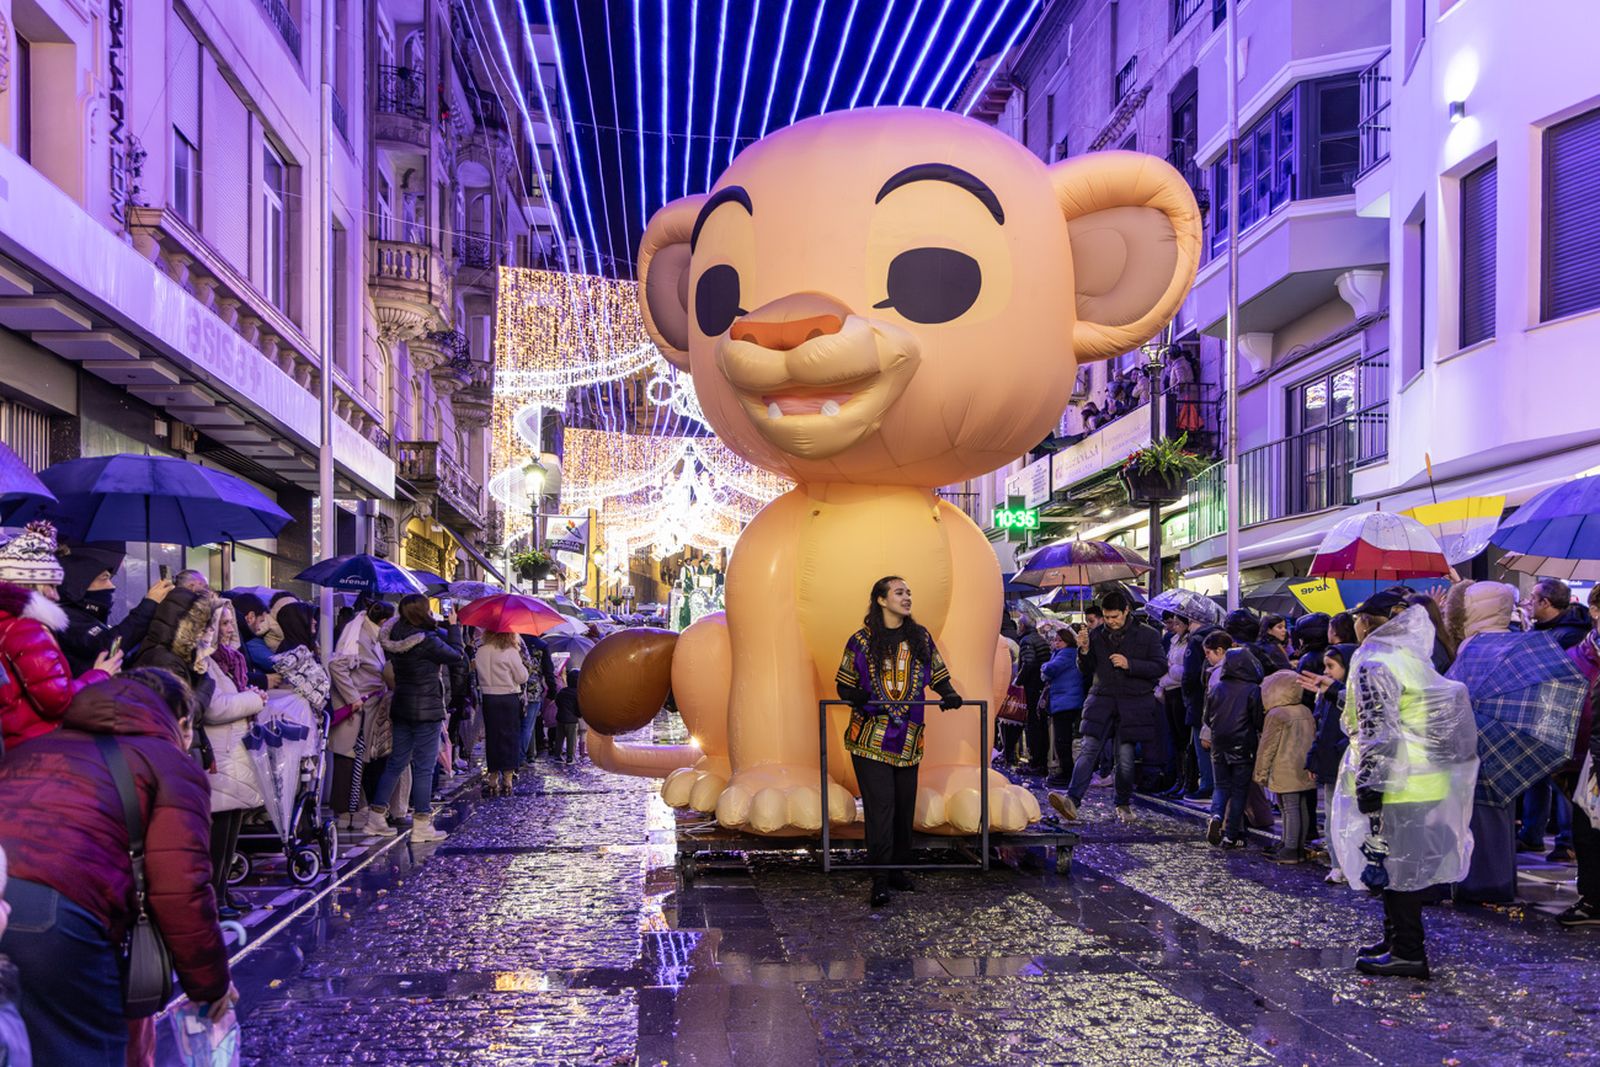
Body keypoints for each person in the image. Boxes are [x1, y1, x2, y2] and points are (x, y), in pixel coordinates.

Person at [0, 670, 235, 1064]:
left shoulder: (37, 748)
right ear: (180, 722)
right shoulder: (169, 764)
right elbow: (181, 888)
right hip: (66, 919)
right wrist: (212, 984)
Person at [1331, 602, 1479, 980]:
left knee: (1397, 872)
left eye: (1358, 619)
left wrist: (1371, 784)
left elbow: (1379, 731)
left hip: (1399, 783)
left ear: (1367, 623)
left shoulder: (1376, 662)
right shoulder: (1412, 659)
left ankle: (1408, 952)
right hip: (1427, 779)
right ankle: (1394, 940)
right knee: (1398, 865)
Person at [835, 576, 962, 908]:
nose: (907, 598)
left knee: (905, 806)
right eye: (899, 592)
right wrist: (856, 695)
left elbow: (938, 674)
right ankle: (879, 877)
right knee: (881, 807)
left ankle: (897, 870)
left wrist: (948, 694)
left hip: (909, 738)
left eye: (908, 592)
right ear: (881, 600)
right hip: (869, 739)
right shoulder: (861, 641)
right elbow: (843, 684)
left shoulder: (919, 638)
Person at [1047, 590, 1165, 823]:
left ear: (1126, 611)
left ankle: (1122, 803)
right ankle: (1071, 800)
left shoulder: (1148, 635)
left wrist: (1130, 664)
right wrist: (1083, 650)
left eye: (1115, 617)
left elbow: (1160, 666)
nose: (1110, 621)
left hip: (1133, 704)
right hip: (1101, 701)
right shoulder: (1095, 635)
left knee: (1125, 757)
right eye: (1107, 617)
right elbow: (1086, 669)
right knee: (1089, 749)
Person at [0, 522, 120, 750]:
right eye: (50, 586)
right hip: (38, 746)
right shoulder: (26, 629)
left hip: (15, 743)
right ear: (31, 584)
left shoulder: (6, 621)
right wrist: (99, 675)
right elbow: (57, 700)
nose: (56, 597)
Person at [367, 594, 464, 843]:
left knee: (396, 763)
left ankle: (376, 817)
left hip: (402, 706)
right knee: (423, 767)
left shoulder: (394, 638)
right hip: (427, 709)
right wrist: (454, 627)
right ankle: (422, 824)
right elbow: (456, 655)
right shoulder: (427, 641)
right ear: (422, 613)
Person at [196, 599, 266, 921]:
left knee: (232, 824)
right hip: (220, 751)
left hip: (236, 748)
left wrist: (250, 696)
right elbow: (214, 707)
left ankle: (222, 888)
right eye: (220, 623)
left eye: (229, 623)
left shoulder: (233, 660)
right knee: (219, 827)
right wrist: (254, 699)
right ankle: (213, 892)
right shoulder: (205, 661)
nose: (226, 630)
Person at [55, 541, 171, 676]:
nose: (112, 586)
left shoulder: (87, 616)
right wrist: (150, 603)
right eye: (104, 578)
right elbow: (109, 646)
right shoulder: (67, 619)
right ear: (80, 585)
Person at [328, 602, 395, 830]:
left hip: (366, 708)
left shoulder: (368, 634)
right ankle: (346, 812)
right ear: (384, 622)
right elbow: (337, 665)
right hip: (356, 710)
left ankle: (354, 809)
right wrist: (353, 697)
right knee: (348, 761)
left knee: (357, 760)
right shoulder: (360, 638)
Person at [1560, 584, 1600, 927]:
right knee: (1587, 831)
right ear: (1595, 611)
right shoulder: (1578, 657)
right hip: (1586, 758)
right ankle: (1593, 900)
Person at [1203, 635, 1265, 848]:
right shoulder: (1252, 690)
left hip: (1219, 744)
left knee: (1221, 787)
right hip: (1243, 745)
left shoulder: (1217, 687)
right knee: (1239, 791)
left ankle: (1216, 816)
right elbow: (1257, 719)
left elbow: (1207, 717)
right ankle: (1231, 835)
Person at [1303, 644, 1356, 882]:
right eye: (1325, 666)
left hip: (1346, 764)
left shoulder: (1349, 695)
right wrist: (1313, 758)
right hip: (1330, 763)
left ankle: (1349, 865)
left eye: (1331, 666)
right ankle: (1338, 865)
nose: (1327, 672)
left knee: (1346, 818)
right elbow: (1321, 729)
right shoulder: (1326, 696)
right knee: (1333, 819)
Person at [1254, 671, 1314, 863]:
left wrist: (1260, 772)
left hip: (1284, 767)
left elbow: (1267, 746)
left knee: (1288, 808)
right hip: (1304, 767)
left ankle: (1289, 848)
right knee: (1301, 806)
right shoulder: (1305, 711)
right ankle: (1297, 846)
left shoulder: (1276, 714)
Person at [475, 629, 529, 795]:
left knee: (493, 737)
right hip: (508, 697)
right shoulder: (510, 652)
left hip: (489, 698)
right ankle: (507, 777)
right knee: (510, 737)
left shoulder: (481, 651)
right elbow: (522, 677)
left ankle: (492, 777)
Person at [1039, 624, 1085, 788]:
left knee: (1062, 740)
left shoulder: (1066, 654)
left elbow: (1050, 669)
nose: (1056, 643)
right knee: (1062, 739)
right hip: (1066, 700)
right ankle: (1066, 771)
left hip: (1065, 701)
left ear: (1068, 641)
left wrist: (1043, 667)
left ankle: (1067, 772)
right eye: (1055, 640)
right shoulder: (1063, 653)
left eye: (1060, 640)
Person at [1156, 611, 1193, 796]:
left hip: (1179, 691)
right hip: (1168, 689)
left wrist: (1170, 668)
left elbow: (1183, 670)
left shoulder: (1190, 642)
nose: (1174, 627)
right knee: (1174, 738)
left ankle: (1187, 781)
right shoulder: (1173, 641)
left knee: (1182, 737)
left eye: (1178, 623)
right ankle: (1179, 779)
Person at [1016, 616, 1050, 775]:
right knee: (1041, 724)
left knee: (1034, 725)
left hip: (1033, 686)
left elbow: (1028, 663)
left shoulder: (1026, 641)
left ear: (1022, 625)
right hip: (1041, 686)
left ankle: (1036, 762)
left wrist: (1018, 680)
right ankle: (1040, 760)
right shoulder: (1040, 639)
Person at [1529, 578, 1591, 651]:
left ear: (1545, 603)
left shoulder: (1571, 636)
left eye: (1533, 598)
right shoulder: (1541, 626)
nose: (1528, 602)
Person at [554, 667, 583, 764]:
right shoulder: (577, 694)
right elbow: (579, 707)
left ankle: (557, 756)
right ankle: (570, 757)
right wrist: (578, 714)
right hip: (572, 720)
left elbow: (557, 701)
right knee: (571, 740)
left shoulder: (563, 691)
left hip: (560, 718)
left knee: (559, 738)